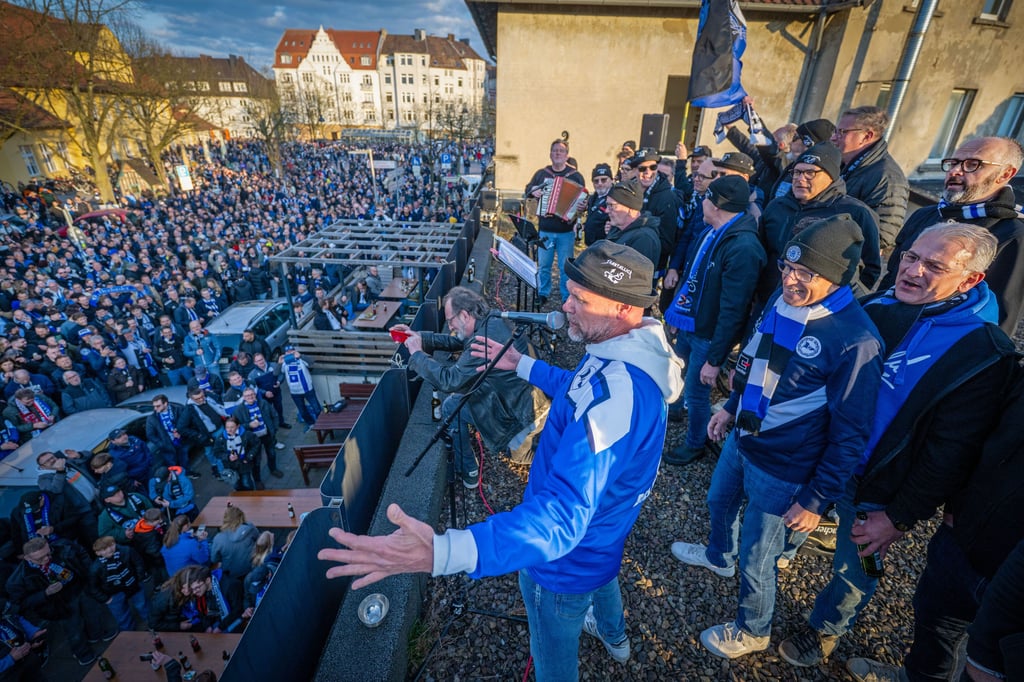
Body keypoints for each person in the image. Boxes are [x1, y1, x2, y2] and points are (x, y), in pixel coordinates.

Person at [319, 241, 685, 679]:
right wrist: (522, 364)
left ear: (623, 309)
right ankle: (615, 637)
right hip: (603, 538)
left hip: (564, 566)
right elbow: (581, 384)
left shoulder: (617, 397)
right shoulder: (626, 352)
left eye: (580, 300)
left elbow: (560, 521)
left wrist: (443, 551)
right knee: (604, 577)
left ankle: (598, 631)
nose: (565, 306)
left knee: (552, 657)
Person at [777, 223, 1019, 668]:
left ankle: (827, 628)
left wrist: (899, 517)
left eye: (934, 266)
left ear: (971, 280)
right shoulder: (875, 304)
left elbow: (950, 453)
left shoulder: (983, 353)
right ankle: (783, 555)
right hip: (825, 458)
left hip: (879, 490)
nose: (912, 271)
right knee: (795, 516)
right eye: (910, 257)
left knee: (859, 567)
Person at [671, 216, 883, 658]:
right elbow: (753, 359)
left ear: (837, 278)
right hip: (742, 438)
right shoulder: (781, 297)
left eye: (806, 273)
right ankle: (716, 556)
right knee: (718, 502)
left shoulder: (856, 340)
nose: (790, 279)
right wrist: (729, 407)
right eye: (788, 268)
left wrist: (816, 498)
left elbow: (851, 434)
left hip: (784, 466)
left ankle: (753, 630)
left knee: (758, 557)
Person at [844, 368, 1024, 682]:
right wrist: (951, 506)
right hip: (963, 542)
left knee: (986, 660)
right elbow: (973, 437)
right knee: (934, 626)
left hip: (1014, 584)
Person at [393, 286, 549, 487]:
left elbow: (449, 380)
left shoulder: (482, 341)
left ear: (465, 315)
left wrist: (417, 355)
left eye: (450, 321)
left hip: (521, 428)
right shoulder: (493, 319)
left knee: (451, 406)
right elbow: (460, 342)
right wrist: (422, 338)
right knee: (465, 394)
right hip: (538, 408)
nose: (450, 327)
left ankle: (469, 470)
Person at [662, 176, 767, 465]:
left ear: (718, 205)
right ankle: (677, 409)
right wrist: (678, 313)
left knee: (698, 393)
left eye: (706, 198)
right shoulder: (712, 232)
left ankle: (695, 444)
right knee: (677, 374)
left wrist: (716, 358)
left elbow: (734, 310)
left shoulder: (743, 248)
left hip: (707, 336)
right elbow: (690, 277)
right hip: (690, 323)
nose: (701, 202)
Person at [878, 136, 1024, 336]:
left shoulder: (1013, 234)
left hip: (933, 348)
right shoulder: (926, 215)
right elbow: (891, 278)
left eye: (973, 164)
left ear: (1005, 173)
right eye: (953, 163)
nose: (955, 171)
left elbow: (999, 319)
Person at [757, 142, 882, 301]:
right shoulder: (777, 206)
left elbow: (870, 269)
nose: (800, 179)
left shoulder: (855, 213)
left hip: (818, 309)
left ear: (831, 177)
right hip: (768, 302)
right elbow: (761, 254)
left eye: (810, 173)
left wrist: (839, 303)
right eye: (797, 172)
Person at [6, 537, 115, 666]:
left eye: (48, 553)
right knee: (73, 631)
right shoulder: (17, 580)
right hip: (60, 605)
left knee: (93, 614)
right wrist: (45, 593)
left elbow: (81, 552)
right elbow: (21, 604)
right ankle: (83, 654)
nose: (46, 559)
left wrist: (88, 574)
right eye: (39, 558)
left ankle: (96, 635)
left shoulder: (62, 546)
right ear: (27, 558)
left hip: (80, 589)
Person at [830, 105, 909, 252]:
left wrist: (828, 234)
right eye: (835, 131)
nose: (833, 137)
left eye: (842, 132)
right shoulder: (841, 163)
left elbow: (883, 236)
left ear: (867, 136)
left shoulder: (888, 178)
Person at [524, 138, 587, 304]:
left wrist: (582, 207)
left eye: (561, 151)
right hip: (545, 228)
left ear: (567, 155)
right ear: (550, 154)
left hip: (566, 230)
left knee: (564, 267)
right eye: (555, 150)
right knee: (544, 265)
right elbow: (528, 189)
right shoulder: (541, 174)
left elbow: (582, 201)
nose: (557, 153)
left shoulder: (576, 176)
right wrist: (533, 192)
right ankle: (543, 293)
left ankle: (566, 297)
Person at [149, 564, 243, 634]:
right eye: (191, 589)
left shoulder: (229, 586)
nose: (193, 592)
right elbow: (202, 610)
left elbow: (237, 610)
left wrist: (217, 627)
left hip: (227, 620)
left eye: (194, 588)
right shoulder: (164, 599)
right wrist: (207, 626)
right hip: (178, 628)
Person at [89, 535, 150, 631]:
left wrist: (138, 579)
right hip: (114, 593)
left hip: (133, 585)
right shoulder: (95, 568)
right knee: (122, 617)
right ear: (98, 553)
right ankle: (129, 635)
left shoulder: (127, 551)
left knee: (143, 606)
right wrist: (106, 599)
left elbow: (139, 564)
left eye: (111, 545)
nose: (109, 549)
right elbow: (93, 587)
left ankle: (152, 624)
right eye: (104, 549)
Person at [602, 179, 663, 269]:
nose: (607, 210)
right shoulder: (619, 230)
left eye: (612, 206)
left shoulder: (644, 239)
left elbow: (633, 278)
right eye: (607, 205)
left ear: (631, 209)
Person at [232, 387, 282, 480]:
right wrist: (249, 425)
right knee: (256, 460)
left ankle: (273, 469)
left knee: (271, 453)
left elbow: (274, 415)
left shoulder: (263, 403)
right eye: (247, 395)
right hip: (253, 439)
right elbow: (236, 427)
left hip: (267, 435)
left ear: (255, 395)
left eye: (252, 394)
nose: (250, 397)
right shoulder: (238, 410)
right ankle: (257, 480)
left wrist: (274, 429)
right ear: (243, 397)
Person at [183, 386, 229, 480]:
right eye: (198, 399)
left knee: (221, 449)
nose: (201, 399)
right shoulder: (189, 410)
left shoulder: (208, 398)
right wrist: (198, 435)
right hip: (206, 435)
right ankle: (216, 467)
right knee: (209, 452)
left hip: (219, 428)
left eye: (202, 397)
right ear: (191, 399)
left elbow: (219, 404)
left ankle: (222, 470)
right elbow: (182, 427)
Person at [146, 394, 199, 475]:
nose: (155, 408)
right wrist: (162, 444)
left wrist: (181, 434)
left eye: (158, 406)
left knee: (184, 459)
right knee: (172, 464)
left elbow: (188, 423)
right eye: (154, 406)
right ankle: (178, 479)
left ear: (165, 403)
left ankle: (188, 473)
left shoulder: (178, 410)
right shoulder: (152, 418)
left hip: (181, 441)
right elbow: (150, 435)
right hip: (167, 445)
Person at [210, 506, 259, 591]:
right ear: (241, 517)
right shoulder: (250, 528)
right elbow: (258, 539)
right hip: (250, 568)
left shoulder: (218, 538)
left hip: (231, 574)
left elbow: (214, 559)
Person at [214, 417, 262, 491]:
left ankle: (250, 497)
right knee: (236, 484)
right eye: (227, 427)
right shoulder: (221, 438)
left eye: (232, 427)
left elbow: (256, 444)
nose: (229, 430)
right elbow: (217, 452)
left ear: (238, 426)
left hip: (244, 464)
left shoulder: (247, 434)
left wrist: (249, 456)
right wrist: (228, 457)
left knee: (246, 483)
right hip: (230, 465)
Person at [279, 346, 320, 428]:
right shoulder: (284, 363)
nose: (290, 353)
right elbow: (276, 373)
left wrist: (301, 356)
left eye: (292, 351)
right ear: (285, 353)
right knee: (302, 411)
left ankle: (321, 422)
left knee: (317, 408)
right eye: (288, 352)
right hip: (295, 392)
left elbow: (312, 362)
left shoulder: (301, 359)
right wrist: (279, 363)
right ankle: (311, 423)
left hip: (307, 389)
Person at [248, 352, 288, 427]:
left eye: (261, 359)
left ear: (264, 359)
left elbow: (281, 374)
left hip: (276, 393)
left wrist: (279, 382)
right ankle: (271, 426)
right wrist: (264, 393)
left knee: (279, 409)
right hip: (264, 397)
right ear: (255, 363)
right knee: (267, 412)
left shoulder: (274, 365)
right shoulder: (252, 374)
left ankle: (281, 422)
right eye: (258, 361)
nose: (261, 362)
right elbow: (253, 388)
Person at [583, 163, 613, 245]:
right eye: (596, 181)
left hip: (605, 245)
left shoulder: (615, 198)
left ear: (611, 180)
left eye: (603, 180)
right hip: (591, 244)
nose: (600, 183)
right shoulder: (593, 197)